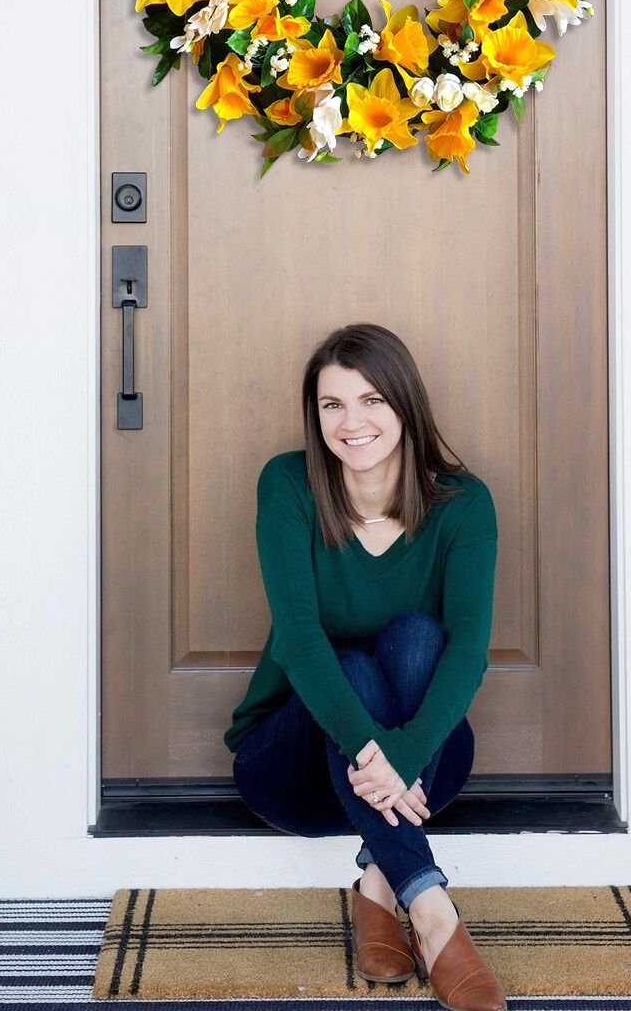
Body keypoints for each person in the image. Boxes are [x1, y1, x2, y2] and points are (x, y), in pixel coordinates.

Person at [225, 322, 506, 1011]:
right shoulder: (288, 485)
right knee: (346, 666)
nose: (352, 423)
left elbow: (469, 649)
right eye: (333, 404)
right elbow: (298, 640)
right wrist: (384, 757)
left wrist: (404, 756)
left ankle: (379, 885)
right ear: (315, 414)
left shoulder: (463, 504)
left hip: (420, 768)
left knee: (418, 638)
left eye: (372, 400)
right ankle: (431, 910)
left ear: (405, 404)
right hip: (292, 766)